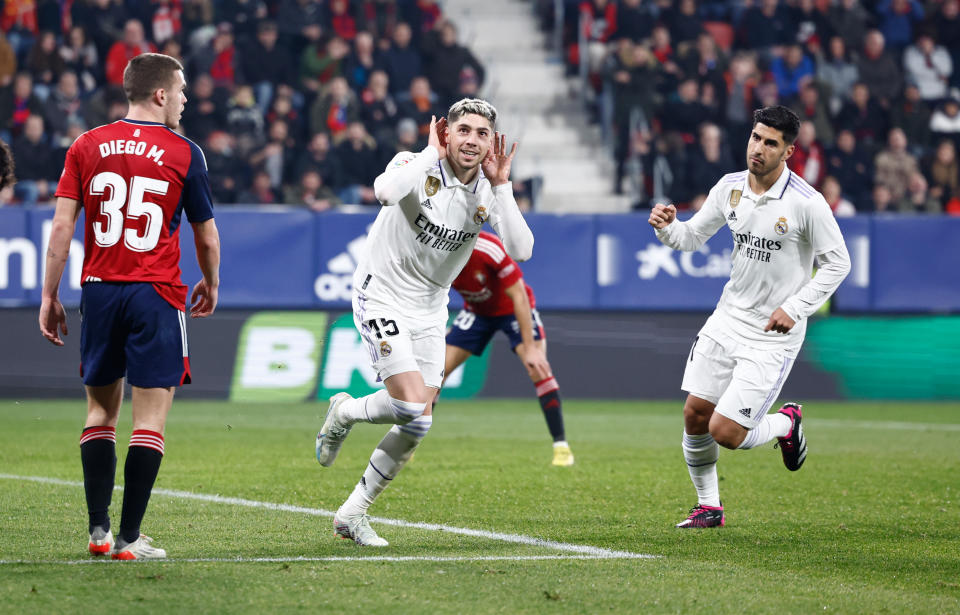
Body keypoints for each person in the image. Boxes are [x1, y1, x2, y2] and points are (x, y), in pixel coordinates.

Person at [314, 98, 533, 546]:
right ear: (445, 133)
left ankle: (351, 514)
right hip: (381, 295)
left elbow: (522, 249)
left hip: (432, 307)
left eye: (482, 133)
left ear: (492, 143)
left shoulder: (488, 190)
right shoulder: (413, 163)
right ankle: (346, 412)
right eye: (464, 130)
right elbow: (385, 193)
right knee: (413, 405)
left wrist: (504, 186)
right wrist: (430, 154)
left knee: (418, 422)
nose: (472, 140)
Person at [38, 53, 221, 559]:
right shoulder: (186, 153)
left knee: (99, 411)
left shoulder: (86, 144)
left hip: (99, 290)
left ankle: (98, 533)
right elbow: (205, 235)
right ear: (160, 94)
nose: (185, 98)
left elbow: (60, 229)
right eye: (181, 90)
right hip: (156, 292)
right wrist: (211, 282)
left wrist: (50, 295)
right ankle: (129, 538)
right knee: (149, 422)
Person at [648, 106, 851, 528]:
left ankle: (785, 423)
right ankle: (709, 507)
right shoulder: (729, 187)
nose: (758, 148)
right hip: (728, 317)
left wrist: (794, 309)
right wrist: (668, 228)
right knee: (694, 415)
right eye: (756, 137)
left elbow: (838, 264)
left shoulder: (807, 204)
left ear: (789, 151)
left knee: (727, 432)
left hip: (772, 335)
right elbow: (691, 238)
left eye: (770, 142)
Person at [442, 231, 573, 466]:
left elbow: (519, 296)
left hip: (512, 309)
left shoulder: (487, 248)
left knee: (538, 368)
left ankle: (561, 448)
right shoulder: (436, 249)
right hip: (476, 312)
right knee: (435, 373)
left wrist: (531, 347)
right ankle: (407, 442)